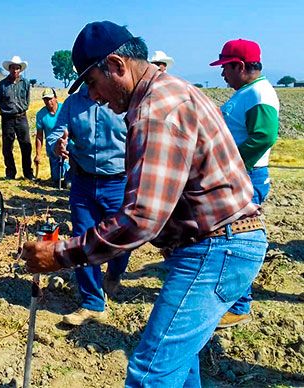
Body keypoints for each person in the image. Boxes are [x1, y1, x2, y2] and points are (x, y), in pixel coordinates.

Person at [21, 21, 267, 386]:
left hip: (217, 248)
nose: (97, 97)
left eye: (93, 83)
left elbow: (141, 218)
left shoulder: (156, 110)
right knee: (179, 368)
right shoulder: (173, 90)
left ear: (118, 66)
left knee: (150, 372)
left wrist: (59, 255)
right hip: (222, 244)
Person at [47, 83, 130, 325]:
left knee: (121, 240)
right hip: (82, 182)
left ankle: (114, 274)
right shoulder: (73, 102)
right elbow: (56, 132)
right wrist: (57, 145)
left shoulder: (123, 100)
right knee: (82, 239)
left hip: (118, 182)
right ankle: (93, 302)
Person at [210, 38, 279, 328]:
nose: (222, 74)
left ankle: (239, 306)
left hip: (247, 177)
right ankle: (232, 299)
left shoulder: (259, 94)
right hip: (241, 175)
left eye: (226, 68)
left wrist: (233, 165)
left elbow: (264, 136)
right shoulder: (248, 92)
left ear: (239, 66)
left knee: (238, 236)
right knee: (230, 234)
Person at [0, 55, 33, 180]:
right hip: (7, 119)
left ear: (20, 70)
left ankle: (28, 173)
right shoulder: (2, 84)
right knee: (7, 146)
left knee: (26, 145)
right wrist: (7, 110)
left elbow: (27, 99)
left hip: (22, 117)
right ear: (9, 69)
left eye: (17, 68)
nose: (15, 70)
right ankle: (10, 173)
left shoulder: (25, 83)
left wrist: (22, 107)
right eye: (13, 68)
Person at [34, 88, 70, 185]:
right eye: (45, 99)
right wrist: (38, 154)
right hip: (52, 143)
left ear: (55, 98)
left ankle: (69, 176)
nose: (48, 101)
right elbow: (39, 136)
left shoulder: (64, 109)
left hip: (66, 138)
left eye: (50, 99)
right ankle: (58, 177)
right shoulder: (41, 115)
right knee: (56, 179)